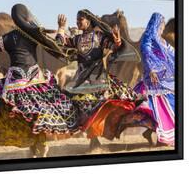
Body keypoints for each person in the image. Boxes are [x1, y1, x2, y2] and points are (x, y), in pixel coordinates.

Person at [54, 9, 157, 141]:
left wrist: (118, 41)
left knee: (123, 102)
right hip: (81, 82)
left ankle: (149, 126)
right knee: (81, 110)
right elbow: (59, 44)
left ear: (88, 21)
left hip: (99, 79)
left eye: (80, 19)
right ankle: (94, 139)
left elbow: (114, 47)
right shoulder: (76, 39)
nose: (77, 22)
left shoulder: (98, 37)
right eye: (77, 20)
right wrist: (61, 28)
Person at [0, 4, 79, 134]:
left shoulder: (4, 39)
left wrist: (0, 67)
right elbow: (57, 46)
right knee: (58, 107)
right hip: (35, 82)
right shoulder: (33, 35)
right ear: (25, 17)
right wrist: (61, 28)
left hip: (13, 85)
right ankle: (40, 143)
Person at [134, 13, 175, 146]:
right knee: (160, 108)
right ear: (157, 24)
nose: (163, 28)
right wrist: (151, 69)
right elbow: (146, 53)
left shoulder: (161, 40)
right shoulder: (148, 37)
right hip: (154, 80)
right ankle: (162, 137)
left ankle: (159, 135)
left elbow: (172, 53)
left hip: (166, 79)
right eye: (162, 25)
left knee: (170, 106)